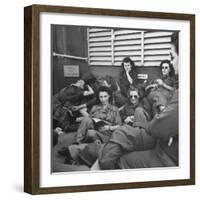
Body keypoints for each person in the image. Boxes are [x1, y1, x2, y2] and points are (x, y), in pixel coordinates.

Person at [98, 31, 179, 170]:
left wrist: (160, 92)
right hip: (154, 119)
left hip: (169, 149)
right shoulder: (126, 77)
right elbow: (134, 90)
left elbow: (161, 125)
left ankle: (100, 156)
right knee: (128, 123)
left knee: (123, 139)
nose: (171, 63)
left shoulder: (174, 83)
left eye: (173, 57)